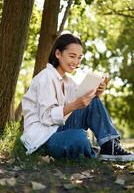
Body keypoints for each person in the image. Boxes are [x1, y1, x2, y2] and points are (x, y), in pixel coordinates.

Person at [20, 33, 134, 161]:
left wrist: (96, 92)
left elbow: (82, 106)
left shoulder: (69, 82)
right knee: (79, 137)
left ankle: (110, 146)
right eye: (72, 56)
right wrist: (75, 104)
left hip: (59, 128)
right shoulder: (46, 77)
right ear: (58, 54)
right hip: (43, 138)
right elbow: (46, 118)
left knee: (93, 101)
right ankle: (90, 151)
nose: (76, 62)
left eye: (79, 57)